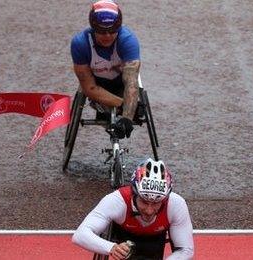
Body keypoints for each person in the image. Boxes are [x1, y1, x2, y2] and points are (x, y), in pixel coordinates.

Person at [72, 158, 194, 259]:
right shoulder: (117, 200)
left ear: (166, 198)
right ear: (134, 193)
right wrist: (112, 247)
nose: (149, 210)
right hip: (122, 239)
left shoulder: (176, 204)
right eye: (144, 202)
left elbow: (186, 250)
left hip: (156, 243)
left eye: (157, 203)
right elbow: (80, 235)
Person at [70, 0, 140, 139]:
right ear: (93, 27)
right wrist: (123, 105)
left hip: (122, 83)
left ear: (118, 28)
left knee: (133, 97)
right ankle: (105, 109)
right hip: (97, 85)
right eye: (102, 31)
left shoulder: (128, 40)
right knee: (117, 107)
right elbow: (89, 88)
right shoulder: (80, 43)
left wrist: (127, 118)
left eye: (112, 30)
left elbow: (131, 83)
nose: (107, 36)